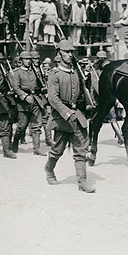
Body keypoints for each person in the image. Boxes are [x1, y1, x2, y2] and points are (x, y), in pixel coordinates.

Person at [44, 39, 96, 193]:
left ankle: (82, 182)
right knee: (57, 150)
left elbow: (80, 93)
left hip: (77, 116)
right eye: (66, 52)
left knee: (81, 150)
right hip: (62, 117)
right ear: (59, 53)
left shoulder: (75, 72)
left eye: (71, 52)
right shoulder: (54, 74)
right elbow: (53, 98)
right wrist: (66, 112)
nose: (69, 55)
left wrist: (87, 104)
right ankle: (48, 169)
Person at [11, 51, 45, 155]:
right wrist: (24, 96)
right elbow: (15, 87)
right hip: (23, 102)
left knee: (36, 125)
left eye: (30, 59)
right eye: (26, 59)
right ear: (21, 61)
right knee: (22, 126)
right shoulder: (16, 72)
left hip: (35, 99)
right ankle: (15, 142)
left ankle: (37, 148)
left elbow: (40, 84)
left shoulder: (35, 71)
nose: (29, 61)